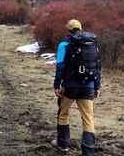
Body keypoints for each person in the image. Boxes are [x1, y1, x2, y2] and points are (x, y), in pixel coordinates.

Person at [52, 20, 102, 156]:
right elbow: (98, 67)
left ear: (68, 30)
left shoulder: (64, 45)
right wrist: (97, 86)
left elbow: (60, 66)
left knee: (63, 114)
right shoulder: (92, 44)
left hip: (70, 87)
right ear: (80, 28)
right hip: (88, 87)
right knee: (88, 118)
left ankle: (63, 145)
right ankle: (88, 151)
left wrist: (57, 85)